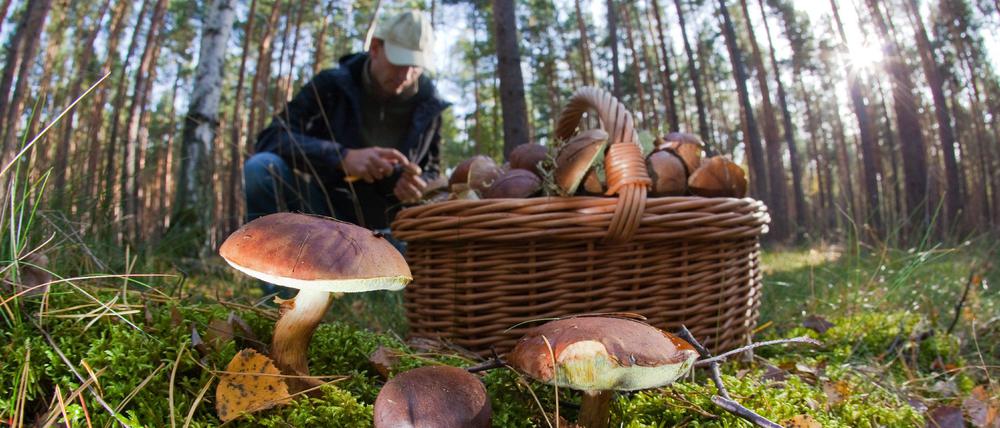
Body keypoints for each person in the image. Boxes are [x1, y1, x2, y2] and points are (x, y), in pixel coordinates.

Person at [244, 9, 449, 235]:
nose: (406, 74)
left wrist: (415, 185)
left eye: (415, 66)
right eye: (399, 62)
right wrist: (342, 156)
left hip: (392, 227)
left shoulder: (429, 106)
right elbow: (272, 138)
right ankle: (268, 262)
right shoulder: (333, 86)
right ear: (375, 48)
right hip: (324, 212)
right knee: (261, 168)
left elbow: (431, 169)